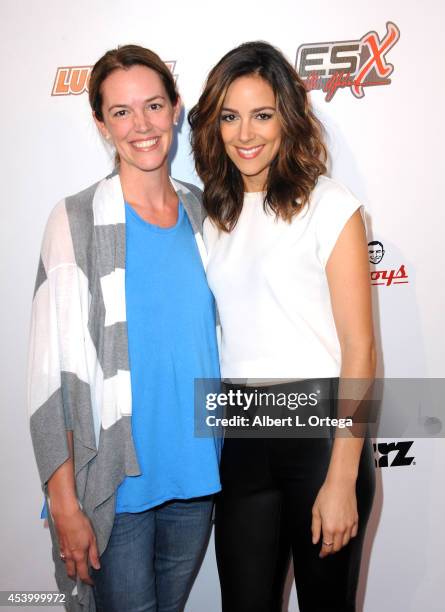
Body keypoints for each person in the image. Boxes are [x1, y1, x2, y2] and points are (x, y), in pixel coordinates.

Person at [28, 44, 221, 612]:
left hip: (194, 474)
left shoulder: (205, 214)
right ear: (101, 124)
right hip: (114, 482)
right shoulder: (75, 220)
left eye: (154, 105)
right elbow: (48, 376)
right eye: (121, 111)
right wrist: (63, 501)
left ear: (176, 108)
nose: (142, 125)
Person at [189, 41, 376, 612]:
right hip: (241, 433)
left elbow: (361, 351)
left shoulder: (328, 203)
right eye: (230, 116)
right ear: (214, 125)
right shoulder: (211, 215)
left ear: (286, 117)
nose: (246, 133)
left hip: (320, 433)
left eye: (262, 114)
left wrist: (343, 476)